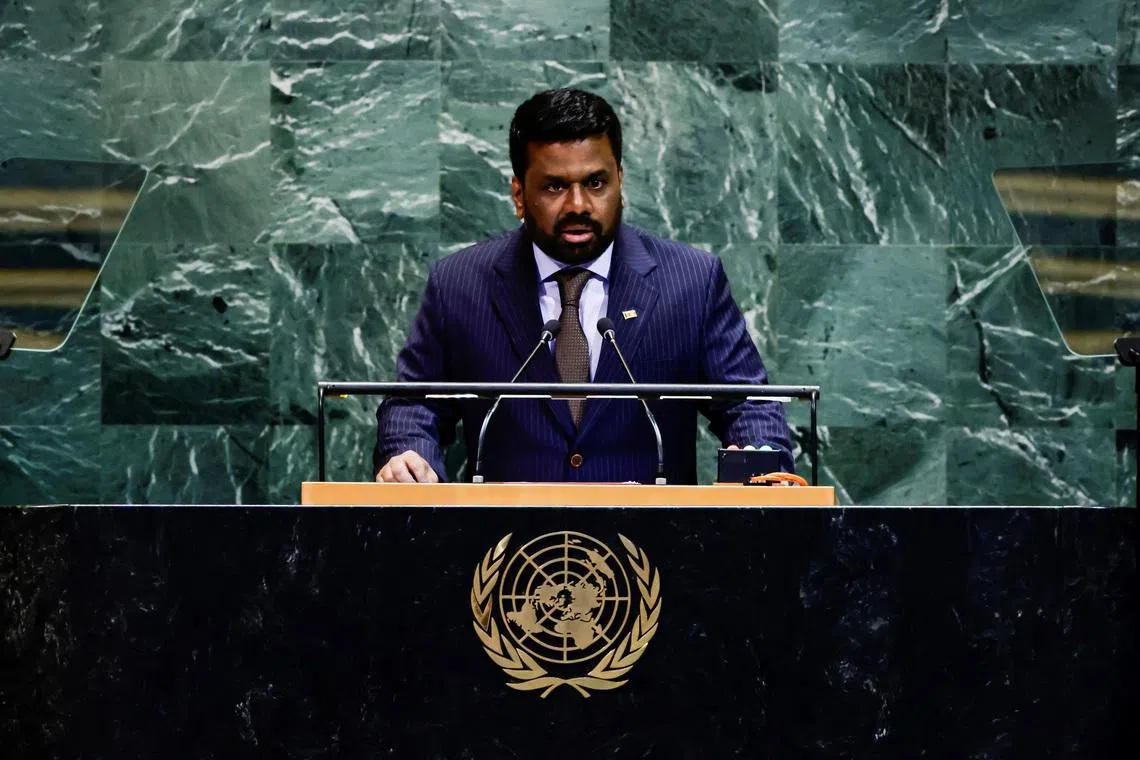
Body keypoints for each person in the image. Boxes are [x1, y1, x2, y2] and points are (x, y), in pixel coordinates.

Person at [374, 88, 793, 484]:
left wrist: (760, 458)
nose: (578, 205)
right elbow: (415, 403)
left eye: (595, 183)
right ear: (519, 194)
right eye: (555, 186)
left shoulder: (691, 281)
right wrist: (410, 457)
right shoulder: (460, 285)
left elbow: (748, 403)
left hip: (653, 551)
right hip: (509, 550)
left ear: (620, 181)